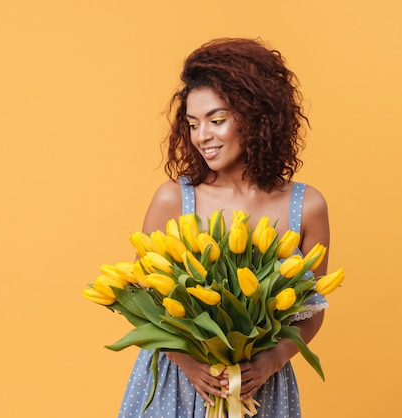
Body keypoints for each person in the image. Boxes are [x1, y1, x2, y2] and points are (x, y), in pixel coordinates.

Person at [118, 38, 330, 418]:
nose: (202, 136)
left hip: (261, 387)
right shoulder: (173, 200)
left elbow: (312, 308)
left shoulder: (307, 206)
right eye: (193, 124)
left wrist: (272, 361)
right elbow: (143, 296)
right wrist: (187, 363)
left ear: (257, 116)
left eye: (217, 121)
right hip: (179, 383)